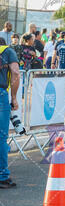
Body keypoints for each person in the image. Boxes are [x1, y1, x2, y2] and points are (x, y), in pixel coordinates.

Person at [0, 36, 20, 188]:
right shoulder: (8, 51)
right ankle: (2, 176)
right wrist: (13, 97)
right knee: (1, 136)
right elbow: (16, 73)